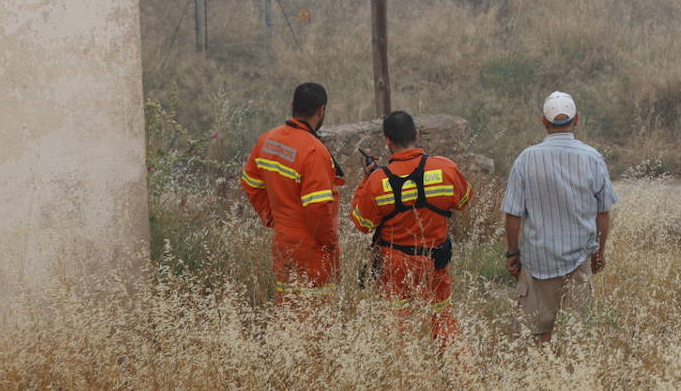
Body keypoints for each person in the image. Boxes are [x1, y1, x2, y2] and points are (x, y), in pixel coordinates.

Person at [502, 91, 617, 341]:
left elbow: (513, 214)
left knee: (535, 332)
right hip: (579, 256)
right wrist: (600, 251)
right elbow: (603, 212)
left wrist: (512, 252)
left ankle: (542, 373)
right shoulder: (592, 158)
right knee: (579, 334)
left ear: (544, 121)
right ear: (577, 119)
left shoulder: (526, 159)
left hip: (536, 259)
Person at [350, 111, 473, 342]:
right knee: (442, 317)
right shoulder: (445, 168)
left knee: (398, 323)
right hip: (436, 259)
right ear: (416, 134)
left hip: (395, 263)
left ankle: (405, 371)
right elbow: (464, 200)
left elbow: (362, 223)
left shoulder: (378, 181)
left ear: (387, 140)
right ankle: (456, 370)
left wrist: (365, 180)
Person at [240, 82, 345, 305]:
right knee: (317, 315)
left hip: (282, 240)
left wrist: (273, 217)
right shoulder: (314, 151)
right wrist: (330, 244)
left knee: (287, 308)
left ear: (292, 105)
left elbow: (250, 183)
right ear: (321, 110)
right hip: (312, 247)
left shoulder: (267, 140)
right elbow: (318, 208)